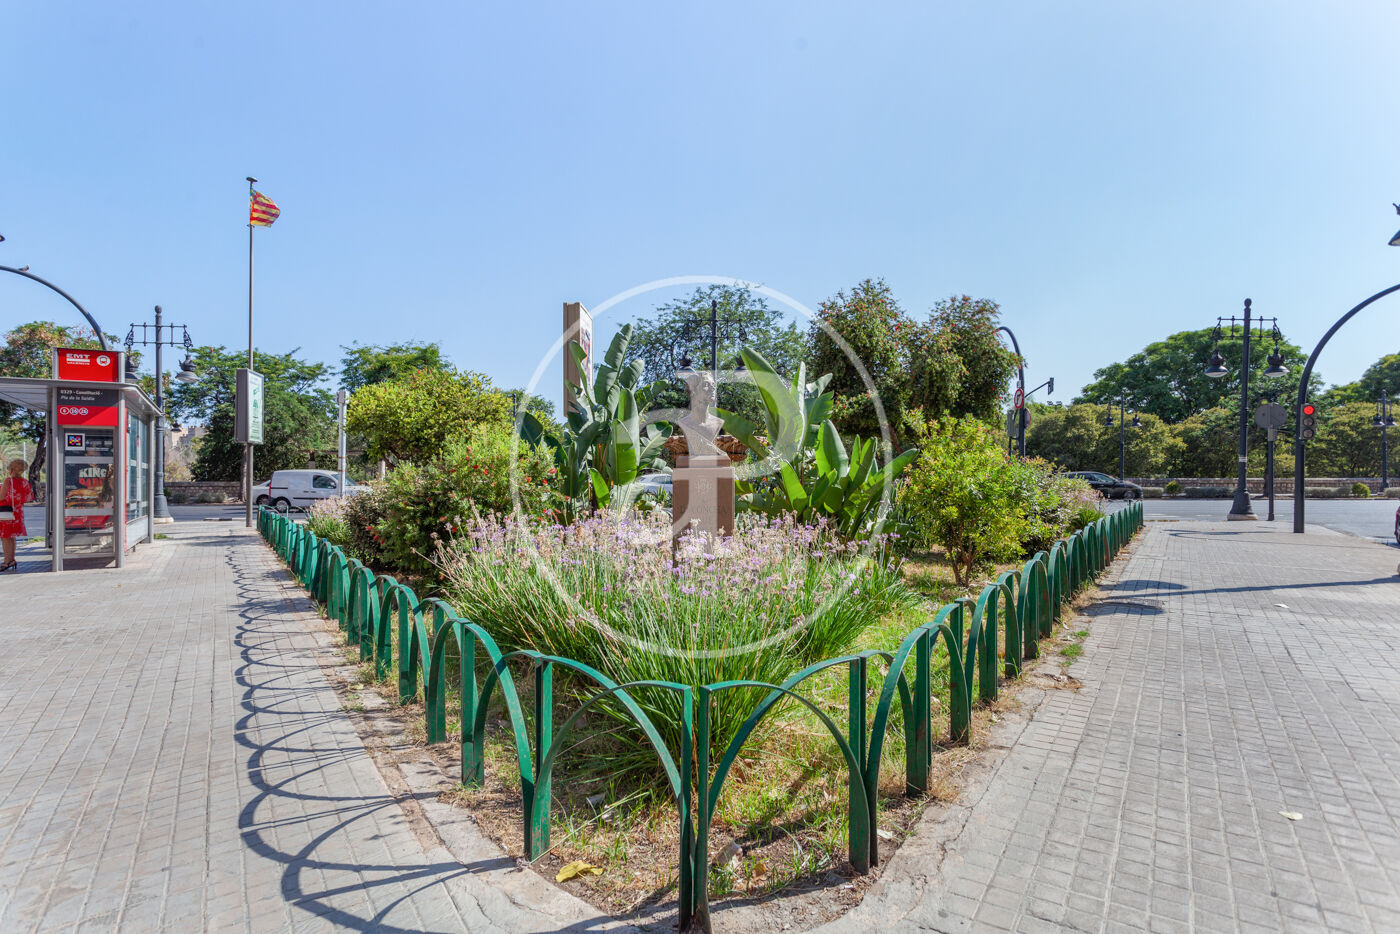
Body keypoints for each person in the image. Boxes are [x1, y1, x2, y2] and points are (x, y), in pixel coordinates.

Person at [0, 459, 34, 572]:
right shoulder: (25, 482)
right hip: (17, 512)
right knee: (11, 536)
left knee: (5, 537)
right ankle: (11, 559)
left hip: (6, 511)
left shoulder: (8, 481)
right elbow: (29, 497)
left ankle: (6, 561)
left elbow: (1, 496)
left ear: (11, 469)